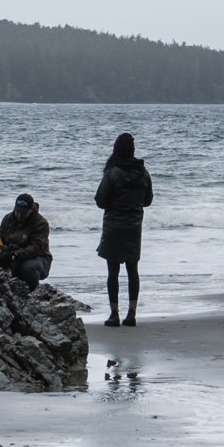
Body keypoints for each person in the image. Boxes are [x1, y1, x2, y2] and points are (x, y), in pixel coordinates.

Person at [94, 131, 153, 325]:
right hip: (134, 226)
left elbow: (100, 201)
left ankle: (114, 314)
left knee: (113, 272)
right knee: (132, 270)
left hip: (113, 226)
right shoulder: (143, 172)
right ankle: (132, 314)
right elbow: (148, 200)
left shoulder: (112, 172)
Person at [0, 190, 52, 290]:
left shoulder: (41, 223)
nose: (19, 215)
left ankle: (33, 293)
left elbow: (36, 248)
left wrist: (15, 255)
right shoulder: (9, 218)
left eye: (23, 213)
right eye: (17, 211)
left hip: (39, 259)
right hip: (12, 253)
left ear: (31, 210)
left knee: (27, 267)